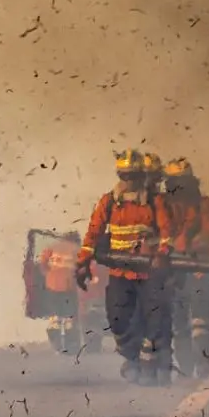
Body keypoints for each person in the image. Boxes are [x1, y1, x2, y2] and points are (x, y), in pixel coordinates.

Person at [75, 148, 176, 385]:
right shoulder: (108, 202)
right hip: (120, 272)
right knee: (118, 320)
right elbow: (92, 234)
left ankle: (150, 363)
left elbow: (167, 234)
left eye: (134, 176)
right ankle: (131, 357)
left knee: (153, 320)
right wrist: (82, 262)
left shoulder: (155, 202)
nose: (129, 181)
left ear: (142, 177)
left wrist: (161, 256)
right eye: (124, 176)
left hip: (149, 273)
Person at [165, 157, 209, 379]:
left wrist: (190, 244)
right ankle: (187, 366)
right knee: (179, 320)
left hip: (197, 267)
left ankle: (200, 363)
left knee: (199, 320)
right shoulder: (162, 206)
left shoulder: (203, 205)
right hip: (176, 269)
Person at [38, 238, 80, 353]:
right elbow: (81, 268)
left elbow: (42, 264)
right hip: (68, 288)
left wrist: (49, 275)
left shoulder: (52, 247)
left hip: (52, 286)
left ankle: (56, 346)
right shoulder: (76, 249)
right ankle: (70, 347)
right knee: (69, 320)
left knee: (54, 319)